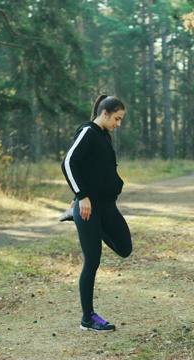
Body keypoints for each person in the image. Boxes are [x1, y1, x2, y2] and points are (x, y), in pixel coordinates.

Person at [61, 95, 132, 331]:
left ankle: (76, 217)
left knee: (125, 248)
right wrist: (81, 196)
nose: (118, 124)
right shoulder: (88, 131)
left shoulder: (103, 135)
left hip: (106, 207)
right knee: (92, 259)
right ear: (104, 113)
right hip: (89, 208)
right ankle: (87, 318)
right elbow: (68, 163)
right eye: (117, 118)